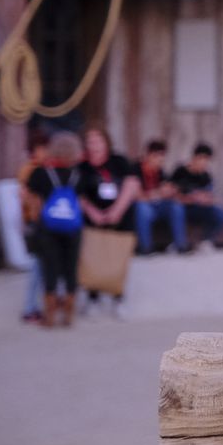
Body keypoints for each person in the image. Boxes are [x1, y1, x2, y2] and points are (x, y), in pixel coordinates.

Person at [76, 124, 139, 315]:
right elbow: (78, 195)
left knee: (117, 259)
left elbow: (132, 184)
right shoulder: (82, 167)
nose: (94, 145)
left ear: (106, 142)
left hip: (121, 218)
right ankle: (93, 297)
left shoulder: (119, 161)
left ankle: (118, 297)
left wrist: (117, 210)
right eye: (90, 141)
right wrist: (92, 212)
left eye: (98, 141)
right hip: (93, 219)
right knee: (93, 258)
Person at [24, 130, 85, 327]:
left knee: (50, 268)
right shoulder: (79, 174)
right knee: (71, 268)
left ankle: (49, 316)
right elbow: (81, 202)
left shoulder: (41, 173)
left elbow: (33, 200)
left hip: (48, 228)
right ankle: (68, 314)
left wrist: (35, 220)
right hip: (73, 228)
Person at [15, 130, 51, 323]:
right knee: (38, 266)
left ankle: (37, 306)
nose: (45, 152)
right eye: (42, 148)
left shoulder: (42, 168)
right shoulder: (29, 170)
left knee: (42, 266)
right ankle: (31, 307)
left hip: (39, 222)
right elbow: (27, 199)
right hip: (35, 223)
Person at [134, 139, 189, 254]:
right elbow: (136, 195)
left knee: (176, 206)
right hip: (143, 206)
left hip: (158, 206)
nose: (160, 161)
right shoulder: (135, 169)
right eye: (158, 157)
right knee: (142, 208)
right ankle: (146, 247)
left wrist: (171, 191)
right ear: (149, 155)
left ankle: (181, 245)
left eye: (162, 157)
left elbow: (168, 189)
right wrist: (157, 193)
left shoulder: (160, 172)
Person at [171, 142, 223, 247]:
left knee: (220, 212)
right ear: (195, 158)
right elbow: (172, 194)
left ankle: (205, 241)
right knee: (176, 208)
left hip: (197, 209)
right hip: (181, 208)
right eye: (202, 159)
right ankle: (179, 245)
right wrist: (192, 198)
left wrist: (205, 199)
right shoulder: (180, 171)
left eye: (207, 160)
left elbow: (210, 197)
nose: (205, 163)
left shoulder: (206, 176)